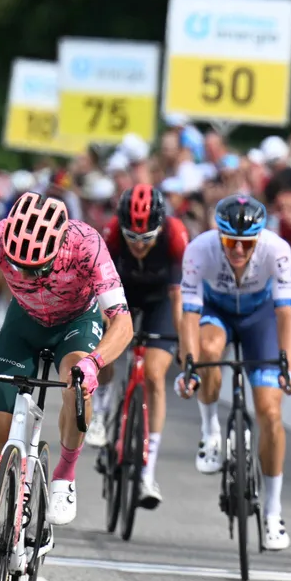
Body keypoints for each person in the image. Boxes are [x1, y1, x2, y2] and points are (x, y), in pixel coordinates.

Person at [0, 193, 133, 581]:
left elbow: (122, 321)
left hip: (77, 323)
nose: (27, 274)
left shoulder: (86, 243)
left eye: (37, 267)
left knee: (74, 381)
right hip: (23, 323)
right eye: (18, 266)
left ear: (59, 246)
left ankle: (65, 472)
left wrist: (95, 363)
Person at [175, 195, 291, 552]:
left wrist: (288, 368)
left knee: (270, 413)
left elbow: (286, 314)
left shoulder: (277, 250)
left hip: (260, 319)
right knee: (209, 353)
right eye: (231, 242)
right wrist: (189, 366)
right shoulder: (199, 250)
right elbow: (189, 314)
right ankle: (210, 431)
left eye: (247, 243)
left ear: (259, 238)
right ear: (219, 236)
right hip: (216, 312)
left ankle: (273, 512)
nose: (239, 250)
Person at [90, 184, 189, 507]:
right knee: (104, 346)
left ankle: (148, 472)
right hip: (122, 294)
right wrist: (105, 328)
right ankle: (101, 410)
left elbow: (178, 298)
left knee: (155, 376)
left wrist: (184, 344)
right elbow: (98, 289)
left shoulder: (175, 235)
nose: (139, 246)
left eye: (146, 239)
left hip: (161, 299)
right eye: (132, 238)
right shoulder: (111, 234)